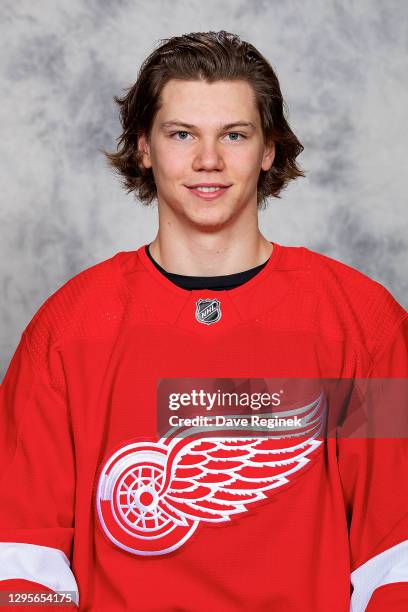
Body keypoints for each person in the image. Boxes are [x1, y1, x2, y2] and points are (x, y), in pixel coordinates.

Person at [0, 29, 407, 611]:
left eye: (234, 135)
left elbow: (397, 553)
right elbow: (20, 559)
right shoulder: (68, 329)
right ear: (144, 147)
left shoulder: (364, 326)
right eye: (182, 133)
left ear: (268, 150)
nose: (208, 160)